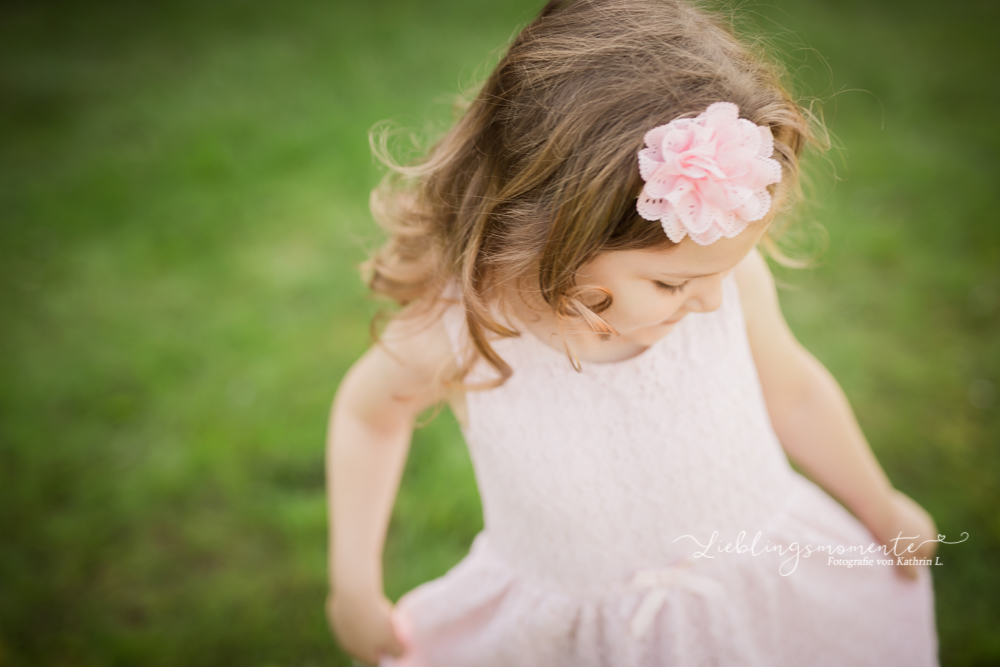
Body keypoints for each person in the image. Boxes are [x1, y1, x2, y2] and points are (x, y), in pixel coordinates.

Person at [326, 0, 941, 664]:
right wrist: (353, 585)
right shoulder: (462, 331)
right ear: (554, 233)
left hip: (758, 597)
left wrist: (879, 507)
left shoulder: (727, 288)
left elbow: (793, 392)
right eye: (672, 284)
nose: (709, 300)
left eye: (721, 271)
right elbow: (369, 417)